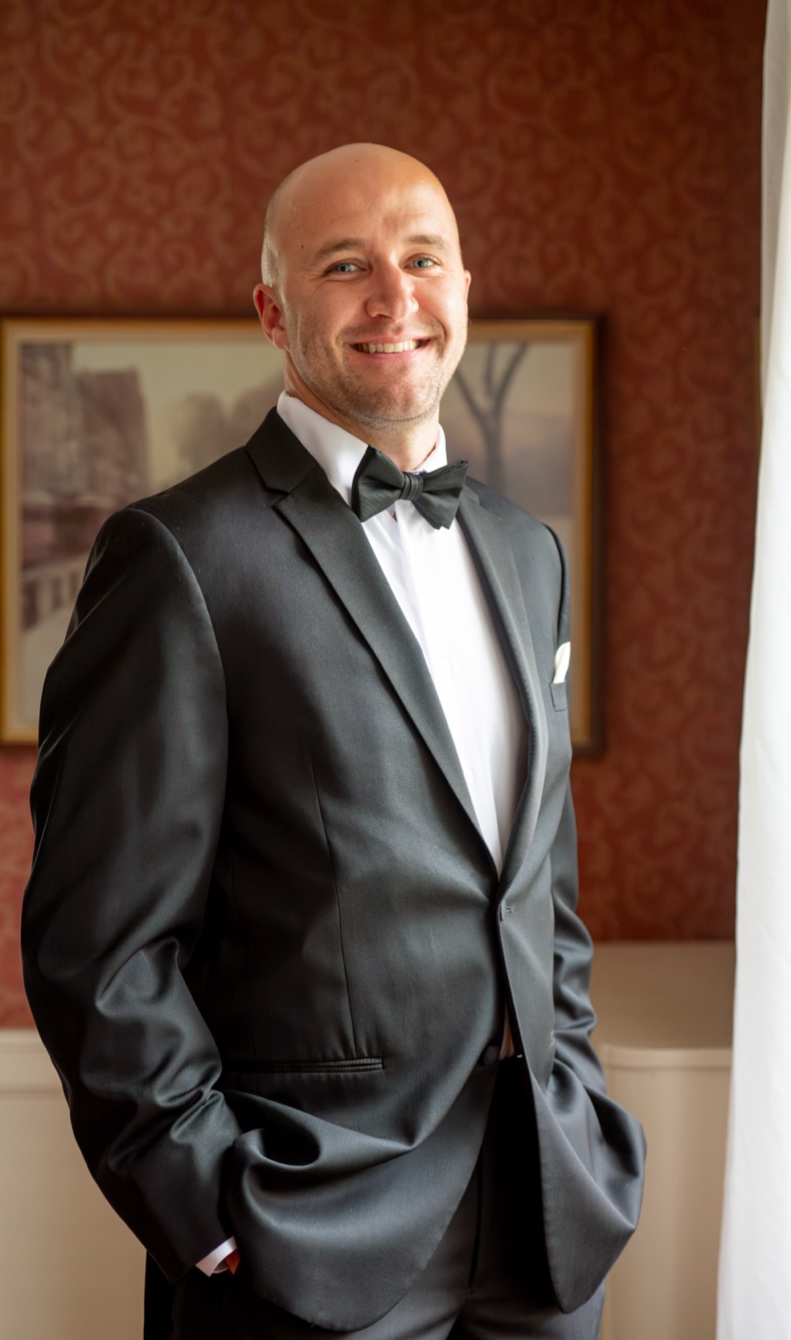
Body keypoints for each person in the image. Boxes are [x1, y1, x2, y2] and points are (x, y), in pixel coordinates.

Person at [20, 143, 643, 1337]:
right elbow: (95, 942)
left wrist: (578, 1093)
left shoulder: (529, 552)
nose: (394, 298)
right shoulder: (178, 557)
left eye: (422, 260)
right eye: (346, 265)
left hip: (548, 1217)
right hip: (303, 1233)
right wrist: (206, 1202)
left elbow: (538, 880)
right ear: (273, 310)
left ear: (464, 288)